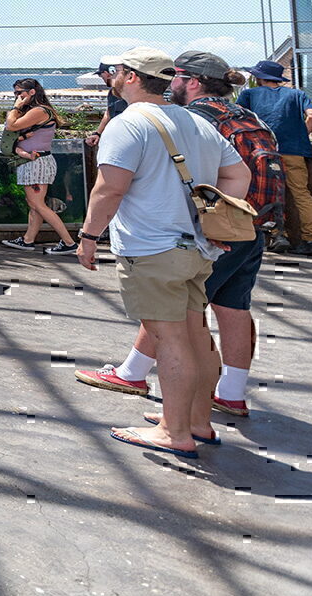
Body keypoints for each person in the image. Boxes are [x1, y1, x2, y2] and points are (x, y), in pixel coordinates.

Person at [75, 51, 284, 419]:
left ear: (190, 80)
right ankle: (227, 396)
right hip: (245, 225)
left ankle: (169, 412)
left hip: (182, 236)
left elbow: (111, 189)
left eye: (177, 76)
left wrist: (89, 235)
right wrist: (222, 213)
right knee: (230, 311)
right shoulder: (243, 116)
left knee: (178, 330)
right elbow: (241, 174)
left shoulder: (181, 118)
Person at [237, 60, 312, 256]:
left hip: (264, 152)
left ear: (259, 77)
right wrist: (302, 135)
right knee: (301, 193)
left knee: (271, 193)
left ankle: (278, 235)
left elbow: (240, 118)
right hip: (295, 150)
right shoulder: (297, 94)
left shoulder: (249, 94)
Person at [0, 79, 80, 255]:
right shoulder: (36, 111)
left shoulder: (39, 110)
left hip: (37, 162)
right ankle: (28, 240)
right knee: (34, 204)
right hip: (33, 161)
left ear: (32, 92)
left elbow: (11, 125)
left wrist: (15, 107)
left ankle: (69, 242)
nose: (17, 96)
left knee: (37, 203)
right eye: (15, 93)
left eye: (20, 92)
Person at [84, 57, 129, 148]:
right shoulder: (112, 92)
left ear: (107, 73)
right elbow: (108, 113)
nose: (102, 79)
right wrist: (97, 133)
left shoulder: (128, 92)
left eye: (101, 76)